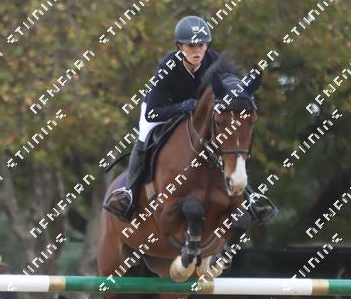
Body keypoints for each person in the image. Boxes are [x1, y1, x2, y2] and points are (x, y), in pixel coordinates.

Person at [103, 15, 278, 223]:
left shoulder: (213, 61)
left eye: (201, 45)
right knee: (144, 136)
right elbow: (152, 113)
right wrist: (181, 107)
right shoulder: (168, 67)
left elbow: (229, 92)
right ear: (180, 47)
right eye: (190, 46)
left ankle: (250, 197)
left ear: (207, 46)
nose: (197, 51)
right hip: (161, 108)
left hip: (196, 111)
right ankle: (129, 193)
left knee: (228, 139)